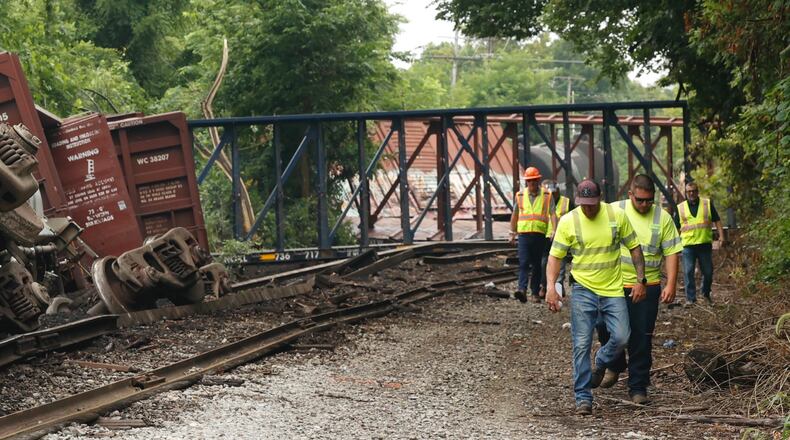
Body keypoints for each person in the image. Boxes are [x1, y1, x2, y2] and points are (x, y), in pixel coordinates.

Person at [545, 179, 646, 416]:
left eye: (592, 204)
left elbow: (635, 248)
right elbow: (554, 257)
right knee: (581, 344)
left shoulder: (616, 216)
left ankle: (601, 360)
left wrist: (640, 280)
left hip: (612, 290)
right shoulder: (569, 221)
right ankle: (583, 397)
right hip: (583, 290)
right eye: (584, 204)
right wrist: (551, 286)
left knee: (622, 337)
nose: (588, 209)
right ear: (578, 200)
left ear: (600, 198)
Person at [595, 174, 682, 404]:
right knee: (603, 326)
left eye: (649, 200)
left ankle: (638, 386)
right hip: (613, 284)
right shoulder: (614, 211)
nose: (644, 205)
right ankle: (615, 363)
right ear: (630, 195)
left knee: (641, 338)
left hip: (648, 286)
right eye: (640, 200)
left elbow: (672, 252)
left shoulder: (662, 218)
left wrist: (671, 283)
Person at [673, 182, 725, 304]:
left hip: (704, 245)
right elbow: (675, 227)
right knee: (688, 271)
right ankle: (691, 299)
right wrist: (674, 245)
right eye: (689, 191)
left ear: (697, 192)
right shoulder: (680, 207)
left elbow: (717, 220)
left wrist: (721, 237)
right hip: (688, 246)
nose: (691, 193)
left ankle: (705, 293)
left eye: (694, 191)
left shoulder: (707, 204)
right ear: (686, 193)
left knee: (708, 272)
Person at [509, 167, 551, 303]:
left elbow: (553, 215)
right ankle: (522, 290)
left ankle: (534, 293)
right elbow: (515, 215)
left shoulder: (546, 195)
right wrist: (512, 232)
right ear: (526, 182)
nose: (531, 184)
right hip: (524, 234)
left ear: (538, 180)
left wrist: (553, 231)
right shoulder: (520, 195)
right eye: (529, 181)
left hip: (539, 235)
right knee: (524, 262)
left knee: (537, 264)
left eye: (534, 181)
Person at [541, 180, 572, 296]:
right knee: (544, 262)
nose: (552, 195)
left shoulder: (566, 202)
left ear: (557, 191)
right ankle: (545, 285)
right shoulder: (543, 200)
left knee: (561, 262)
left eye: (553, 193)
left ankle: (557, 287)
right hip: (545, 235)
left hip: (561, 236)